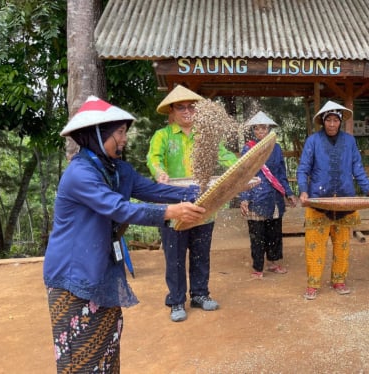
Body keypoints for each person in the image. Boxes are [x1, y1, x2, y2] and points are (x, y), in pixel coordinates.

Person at [43, 96, 206, 372]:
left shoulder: (118, 170)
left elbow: (156, 191)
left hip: (102, 271)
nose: (125, 139)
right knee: (82, 359)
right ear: (97, 134)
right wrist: (171, 212)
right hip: (74, 278)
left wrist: (204, 191)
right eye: (119, 132)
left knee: (107, 347)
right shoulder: (80, 173)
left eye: (124, 131)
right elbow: (119, 209)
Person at [147, 85, 238, 322]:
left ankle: (199, 294)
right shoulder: (163, 136)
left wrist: (241, 167)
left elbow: (225, 155)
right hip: (174, 206)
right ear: (172, 111)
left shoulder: (204, 136)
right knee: (175, 256)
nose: (187, 111)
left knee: (200, 253)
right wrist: (159, 173)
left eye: (191, 107)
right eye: (181, 107)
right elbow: (153, 158)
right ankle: (176, 301)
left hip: (203, 204)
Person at [296, 100, 369, 300]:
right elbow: (303, 169)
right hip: (318, 201)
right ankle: (313, 284)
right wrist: (303, 191)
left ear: (340, 121)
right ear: (323, 122)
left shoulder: (349, 141)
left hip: (345, 200)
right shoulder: (313, 141)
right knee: (314, 245)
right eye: (329, 120)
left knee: (342, 245)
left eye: (335, 120)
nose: (332, 124)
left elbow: (357, 168)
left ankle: (339, 280)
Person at [239, 111, 298, 279]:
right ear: (253, 131)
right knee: (257, 234)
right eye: (257, 129)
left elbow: (280, 173)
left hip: (274, 196)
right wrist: (244, 198)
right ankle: (258, 267)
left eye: (263, 128)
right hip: (255, 196)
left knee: (274, 232)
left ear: (269, 129)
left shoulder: (276, 148)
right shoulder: (248, 148)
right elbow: (243, 175)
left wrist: (289, 193)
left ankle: (273, 263)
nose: (260, 132)